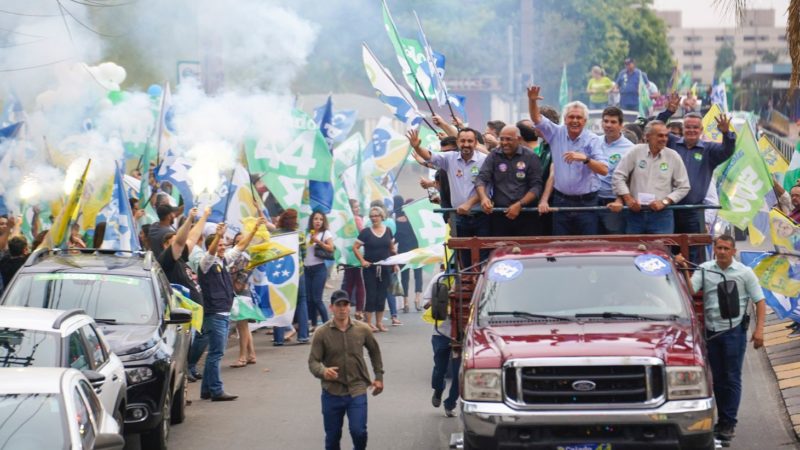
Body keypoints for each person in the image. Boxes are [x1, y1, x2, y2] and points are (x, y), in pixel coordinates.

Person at [676, 236, 765, 446]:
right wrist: (683, 268)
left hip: (734, 332)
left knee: (731, 377)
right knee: (716, 378)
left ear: (733, 251)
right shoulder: (706, 269)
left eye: (726, 248)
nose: (722, 252)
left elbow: (759, 301)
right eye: (719, 248)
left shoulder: (744, 273)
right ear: (714, 250)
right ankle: (722, 421)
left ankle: (728, 423)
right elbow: (690, 291)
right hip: (712, 332)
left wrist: (759, 331)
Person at [657, 105, 734, 262]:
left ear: (701, 130)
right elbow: (655, 129)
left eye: (695, 127)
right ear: (683, 128)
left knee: (694, 255)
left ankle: (693, 286)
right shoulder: (671, 143)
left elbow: (727, 150)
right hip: (669, 209)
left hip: (694, 213)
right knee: (668, 251)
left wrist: (726, 133)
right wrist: (668, 112)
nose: (691, 130)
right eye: (688, 127)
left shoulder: (709, 150)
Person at [308, 290, 384, 450]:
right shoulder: (321, 333)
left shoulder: (362, 329)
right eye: (338, 305)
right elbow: (313, 361)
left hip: (357, 390)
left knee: (359, 432)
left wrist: (379, 377)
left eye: (345, 305)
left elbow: (374, 352)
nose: (342, 308)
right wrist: (323, 371)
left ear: (349, 307)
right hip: (332, 392)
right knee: (333, 437)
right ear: (331, 308)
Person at [529, 86, 608, 235]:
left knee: (586, 247)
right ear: (565, 119)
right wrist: (532, 101)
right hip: (561, 201)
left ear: (585, 121)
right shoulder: (556, 133)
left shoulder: (593, 140)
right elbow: (537, 118)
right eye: (571, 117)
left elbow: (604, 170)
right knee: (561, 247)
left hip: (587, 203)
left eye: (579, 118)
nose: (575, 121)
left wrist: (586, 159)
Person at [196, 220, 258, 402]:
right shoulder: (206, 262)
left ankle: (207, 390)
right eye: (219, 245)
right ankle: (216, 390)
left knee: (214, 352)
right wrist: (219, 235)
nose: (222, 247)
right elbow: (211, 252)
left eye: (223, 245)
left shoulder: (223, 260)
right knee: (216, 353)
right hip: (215, 312)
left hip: (222, 311)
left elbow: (240, 246)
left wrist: (254, 229)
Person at [408, 127, 487, 267]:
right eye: (463, 141)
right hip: (460, 218)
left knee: (484, 256)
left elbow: (486, 188)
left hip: (482, 216)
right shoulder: (450, 158)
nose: (466, 144)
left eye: (470, 141)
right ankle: (468, 279)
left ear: (475, 143)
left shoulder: (484, 160)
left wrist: (469, 204)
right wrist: (417, 146)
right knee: (464, 257)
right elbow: (429, 156)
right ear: (458, 142)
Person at [611, 120, 690, 234]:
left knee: (661, 250)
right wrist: (628, 199)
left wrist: (665, 202)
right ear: (647, 136)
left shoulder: (673, 156)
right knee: (634, 250)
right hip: (635, 214)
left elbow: (684, 186)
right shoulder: (636, 151)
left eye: (666, 135)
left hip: (662, 216)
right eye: (660, 135)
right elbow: (618, 176)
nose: (664, 139)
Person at [475, 125, 544, 237]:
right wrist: (483, 198)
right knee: (500, 251)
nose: (504, 143)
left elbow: (536, 187)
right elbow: (481, 178)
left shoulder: (531, 157)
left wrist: (519, 205)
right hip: (500, 215)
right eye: (501, 139)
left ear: (519, 139)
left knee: (526, 252)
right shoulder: (494, 155)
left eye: (508, 139)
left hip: (526, 215)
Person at [353, 206, 396, 332]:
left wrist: (395, 262)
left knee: (382, 295)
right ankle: (369, 322)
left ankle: (379, 322)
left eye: (376, 215)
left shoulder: (388, 231)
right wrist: (362, 261)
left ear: (382, 217)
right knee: (371, 294)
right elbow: (355, 247)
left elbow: (392, 248)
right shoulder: (366, 232)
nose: (374, 218)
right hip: (370, 268)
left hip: (385, 268)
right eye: (372, 216)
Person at [424, 268, 460, 418]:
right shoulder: (441, 279)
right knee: (440, 369)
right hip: (442, 332)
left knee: (460, 373)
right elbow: (426, 304)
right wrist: (440, 298)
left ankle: (450, 403)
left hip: (462, 333)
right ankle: (438, 390)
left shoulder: (477, 279)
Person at [596, 107, 635, 234]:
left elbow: (631, 178)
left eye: (613, 122)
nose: (608, 125)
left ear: (621, 125)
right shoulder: (594, 142)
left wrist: (621, 199)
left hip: (615, 203)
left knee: (614, 242)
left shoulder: (630, 149)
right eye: (605, 121)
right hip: (592, 200)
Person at [273, 209, 309, 345]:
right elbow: (304, 253)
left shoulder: (275, 234)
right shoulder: (299, 235)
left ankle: (278, 338)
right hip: (298, 272)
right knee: (301, 302)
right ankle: (303, 336)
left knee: (279, 303)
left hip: (279, 274)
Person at [393, 195, 423, 312]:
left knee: (405, 277)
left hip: (403, 251)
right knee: (418, 275)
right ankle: (417, 299)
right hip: (417, 251)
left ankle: (406, 302)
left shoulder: (398, 222)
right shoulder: (418, 221)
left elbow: (395, 239)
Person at [306, 211, 334, 328]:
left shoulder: (326, 233)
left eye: (320, 219)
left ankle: (327, 324)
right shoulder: (308, 234)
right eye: (315, 219)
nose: (318, 221)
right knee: (309, 299)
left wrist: (319, 242)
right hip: (307, 269)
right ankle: (314, 325)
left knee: (317, 299)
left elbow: (331, 248)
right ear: (312, 221)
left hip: (319, 268)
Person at [341, 199, 367, 320]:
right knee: (359, 283)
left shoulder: (344, 220)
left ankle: (345, 308)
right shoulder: (356, 219)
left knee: (348, 283)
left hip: (347, 253)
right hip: (356, 253)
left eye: (357, 207)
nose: (357, 209)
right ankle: (359, 310)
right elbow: (363, 234)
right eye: (355, 207)